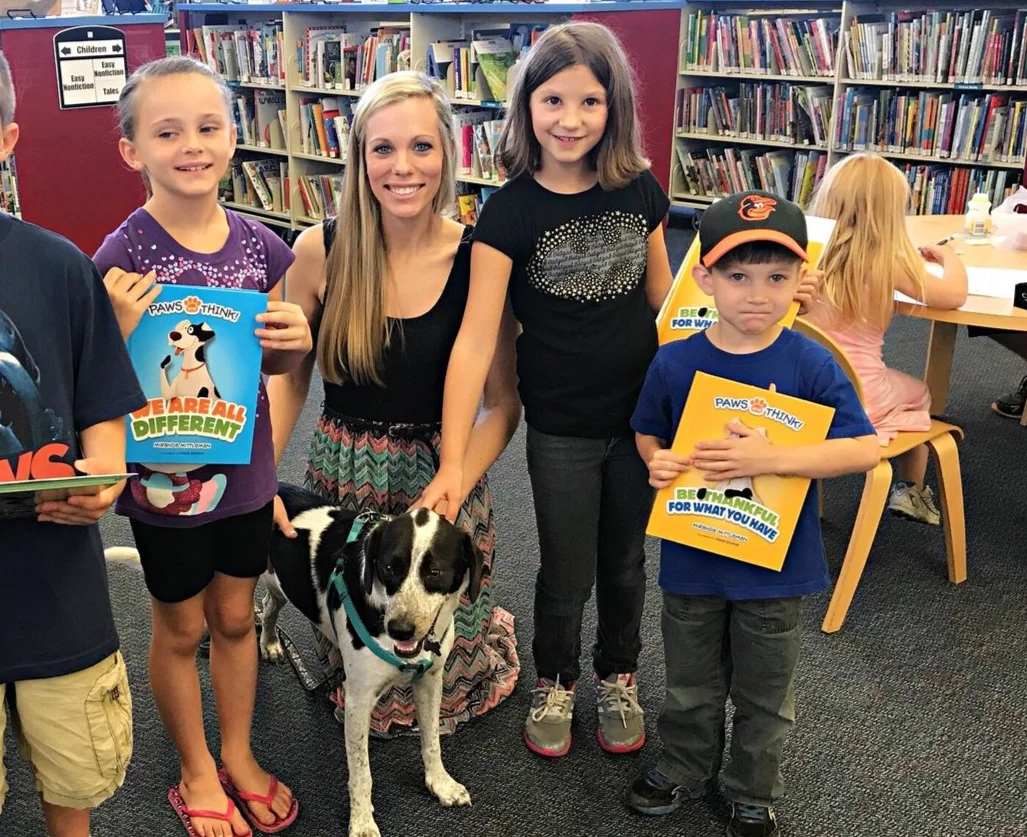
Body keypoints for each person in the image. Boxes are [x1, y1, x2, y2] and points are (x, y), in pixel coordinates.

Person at [416, 21, 675, 758]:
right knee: (567, 567)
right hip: (561, 425)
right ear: (525, 104)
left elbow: (665, 298)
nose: (569, 119)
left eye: (589, 102)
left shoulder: (639, 189)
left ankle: (616, 673)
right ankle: (555, 677)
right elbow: (475, 338)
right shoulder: (509, 211)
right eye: (552, 99)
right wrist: (452, 454)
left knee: (626, 560)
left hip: (643, 420)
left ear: (613, 108)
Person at [93, 56, 311, 837]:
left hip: (245, 474)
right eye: (167, 131)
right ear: (132, 150)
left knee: (235, 615)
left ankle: (239, 751)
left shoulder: (260, 247)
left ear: (232, 135)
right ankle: (194, 766)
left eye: (208, 126)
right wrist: (114, 329)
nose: (192, 144)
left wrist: (293, 339)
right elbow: (93, 379)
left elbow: (273, 361)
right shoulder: (119, 255)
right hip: (162, 481)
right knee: (179, 625)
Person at [268, 71, 521, 737]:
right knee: (352, 630)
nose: (402, 167)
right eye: (381, 149)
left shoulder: (478, 259)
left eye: (420, 147)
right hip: (343, 466)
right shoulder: (319, 248)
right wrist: (256, 474)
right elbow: (289, 374)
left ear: (447, 154)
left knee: (438, 649)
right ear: (359, 159)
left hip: (441, 472)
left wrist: (457, 478)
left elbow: (503, 404)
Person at [626, 190, 879, 837]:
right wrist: (656, 461)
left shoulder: (808, 362)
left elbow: (861, 446)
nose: (756, 293)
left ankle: (752, 787)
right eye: (737, 275)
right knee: (689, 680)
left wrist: (778, 454)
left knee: (766, 692)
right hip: (693, 558)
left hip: (776, 567)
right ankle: (685, 763)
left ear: (802, 281)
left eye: (775, 276)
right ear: (704, 276)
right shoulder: (676, 358)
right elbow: (648, 430)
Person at [0, 51, 146, 837]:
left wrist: (105, 475)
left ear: (7, 140)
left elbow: (102, 403)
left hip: (56, 583)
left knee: (74, 774)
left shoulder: (58, 265)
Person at [806, 153, 968, 525]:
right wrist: (949, 258)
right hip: (860, 396)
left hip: (801, 394)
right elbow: (953, 295)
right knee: (920, 393)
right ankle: (911, 490)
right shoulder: (887, 262)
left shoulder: (804, 257)